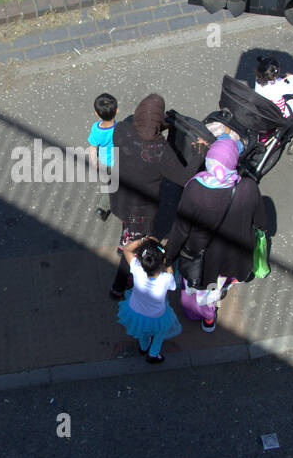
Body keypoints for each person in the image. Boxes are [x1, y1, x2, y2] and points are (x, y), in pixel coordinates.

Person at [165, 139, 267, 331]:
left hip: (200, 256)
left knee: (195, 287)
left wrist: (169, 255)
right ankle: (208, 319)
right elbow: (261, 223)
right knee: (214, 288)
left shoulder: (195, 189)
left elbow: (181, 229)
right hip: (231, 256)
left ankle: (195, 313)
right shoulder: (248, 187)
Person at [108, 93, 199, 298]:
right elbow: (184, 177)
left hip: (120, 196)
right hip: (141, 210)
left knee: (127, 225)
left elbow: (136, 127)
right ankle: (118, 287)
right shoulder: (161, 150)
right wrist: (199, 153)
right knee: (135, 246)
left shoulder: (121, 131)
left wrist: (157, 125)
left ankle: (124, 242)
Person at [115, 236, 181, 363]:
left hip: (135, 311)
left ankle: (143, 347)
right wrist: (168, 264)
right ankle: (153, 354)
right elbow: (171, 279)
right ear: (161, 262)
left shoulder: (137, 268)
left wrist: (143, 240)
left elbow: (126, 249)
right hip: (157, 315)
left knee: (142, 331)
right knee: (159, 334)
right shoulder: (166, 279)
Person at [87, 93, 118, 220]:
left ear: (96, 113)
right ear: (117, 110)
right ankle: (103, 208)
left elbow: (93, 148)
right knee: (115, 185)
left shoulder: (95, 128)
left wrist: (94, 163)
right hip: (117, 163)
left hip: (103, 162)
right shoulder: (119, 129)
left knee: (109, 182)